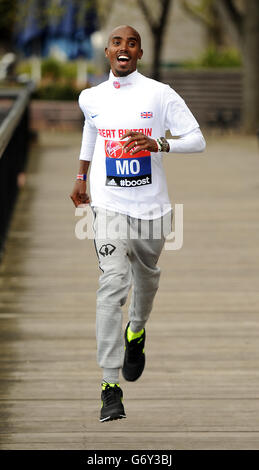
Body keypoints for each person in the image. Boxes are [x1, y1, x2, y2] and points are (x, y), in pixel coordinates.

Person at [70, 25, 206, 422]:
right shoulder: (90, 97)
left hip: (152, 210)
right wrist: (81, 177)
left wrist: (160, 144)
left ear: (140, 53)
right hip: (109, 205)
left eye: (131, 43)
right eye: (117, 42)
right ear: (108, 53)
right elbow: (91, 129)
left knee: (145, 280)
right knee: (113, 283)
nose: (123, 48)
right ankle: (110, 386)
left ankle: (137, 330)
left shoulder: (159, 94)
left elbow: (197, 139)